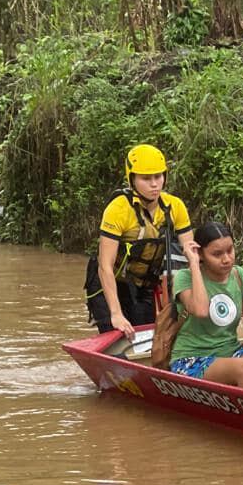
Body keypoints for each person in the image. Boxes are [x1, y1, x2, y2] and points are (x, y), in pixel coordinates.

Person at [85, 144, 194, 339]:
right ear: (132, 179)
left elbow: (190, 255)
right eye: (146, 178)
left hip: (143, 284)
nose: (154, 184)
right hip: (108, 282)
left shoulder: (175, 207)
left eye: (158, 176)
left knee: (145, 338)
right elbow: (105, 266)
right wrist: (116, 314)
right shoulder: (118, 210)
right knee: (117, 335)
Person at [168, 221, 243, 393]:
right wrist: (194, 264)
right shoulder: (184, 278)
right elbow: (200, 310)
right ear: (200, 254)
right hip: (191, 358)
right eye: (217, 254)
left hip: (231, 352)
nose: (227, 259)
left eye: (230, 250)